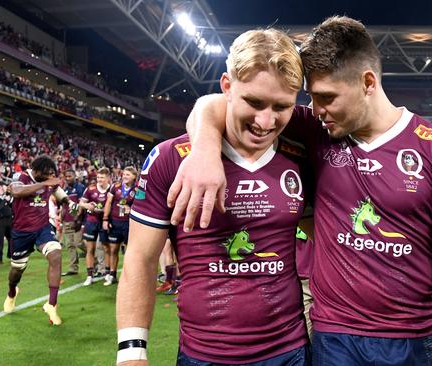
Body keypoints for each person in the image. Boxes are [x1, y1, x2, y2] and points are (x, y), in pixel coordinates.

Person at [170, 16, 432, 365]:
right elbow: (215, 103)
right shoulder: (318, 129)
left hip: (413, 337)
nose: (316, 110)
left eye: (327, 97)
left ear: (367, 82)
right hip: (334, 336)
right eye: (312, 98)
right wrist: (205, 150)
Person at [116, 28, 310, 365]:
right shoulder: (170, 158)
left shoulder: (303, 157)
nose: (266, 121)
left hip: (289, 353)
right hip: (203, 355)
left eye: (282, 106)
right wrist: (132, 352)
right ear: (226, 86)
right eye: (254, 102)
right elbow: (140, 259)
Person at [3, 155, 77, 325]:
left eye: (51, 174)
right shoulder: (20, 177)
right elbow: (16, 191)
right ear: (35, 171)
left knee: (56, 254)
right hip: (22, 232)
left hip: (42, 229)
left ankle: (52, 304)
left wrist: (68, 202)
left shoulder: (48, 180)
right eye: (45, 175)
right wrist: (44, 184)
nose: (49, 177)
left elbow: (58, 191)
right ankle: (12, 292)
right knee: (16, 271)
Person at [102, 166, 137, 286]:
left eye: (128, 175)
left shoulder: (138, 189)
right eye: (124, 174)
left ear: (134, 176)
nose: (124, 177)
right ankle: (112, 275)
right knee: (113, 249)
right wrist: (105, 219)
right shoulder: (115, 187)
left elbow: (142, 206)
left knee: (129, 251)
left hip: (129, 223)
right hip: (115, 222)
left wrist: (131, 209)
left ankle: (129, 276)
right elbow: (108, 203)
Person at [80, 167, 111, 286]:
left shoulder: (111, 190)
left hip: (105, 221)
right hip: (91, 221)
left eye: (102, 177)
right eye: (98, 177)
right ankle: (89, 276)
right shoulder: (90, 189)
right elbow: (81, 203)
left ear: (108, 178)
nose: (99, 180)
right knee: (90, 249)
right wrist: (87, 205)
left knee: (106, 248)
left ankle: (108, 273)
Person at [60, 169, 86, 276]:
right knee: (70, 245)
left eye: (70, 176)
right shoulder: (65, 190)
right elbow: (64, 206)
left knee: (79, 243)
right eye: (66, 176)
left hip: (76, 221)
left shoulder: (80, 188)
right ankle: (73, 268)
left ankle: (96, 260)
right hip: (67, 220)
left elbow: (81, 204)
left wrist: (78, 219)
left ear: (75, 176)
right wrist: (61, 218)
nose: (67, 178)